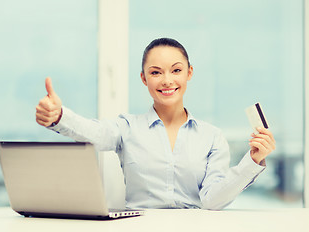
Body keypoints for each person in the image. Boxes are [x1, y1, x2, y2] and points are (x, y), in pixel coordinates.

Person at [35, 38, 276, 210]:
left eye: (176, 70)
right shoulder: (127, 127)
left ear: (189, 73)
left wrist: (252, 161)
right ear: (144, 78)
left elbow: (212, 200)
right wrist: (59, 116)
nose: (167, 80)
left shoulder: (212, 136)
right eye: (156, 72)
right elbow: (96, 133)